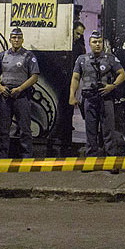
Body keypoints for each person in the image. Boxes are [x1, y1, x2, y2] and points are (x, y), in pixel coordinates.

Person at [69, 30, 125, 172]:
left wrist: (111, 87)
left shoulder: (110, 58)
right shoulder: (82, 59)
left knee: (108, 132)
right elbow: (75, 78)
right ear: (89, 44)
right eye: (94, 42)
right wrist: (72, 95)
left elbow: (122, 74)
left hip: (105, 98)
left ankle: (111, 162)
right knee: (90, 132)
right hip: (89, 99)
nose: (97, 44)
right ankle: (91, 161)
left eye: (99, 41)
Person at [0, 27, 39, 158]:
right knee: (3, 129)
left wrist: (20, 89)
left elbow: (34, 76)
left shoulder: (29, 56)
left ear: (22, 40)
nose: (16, 40)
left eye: (19, 38)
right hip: (5, 96)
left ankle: (26, 156)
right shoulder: (3, 55)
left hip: (21, 96)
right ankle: (2, 156)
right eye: (14, 38)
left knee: (25, 129)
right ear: (10, 39)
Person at [46, 21, 86, 157]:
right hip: (62, 83)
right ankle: (57, 145)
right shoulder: (65, 45)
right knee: (62, 115)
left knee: (66, 116)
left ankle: (62, 145)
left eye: (81, 35)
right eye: (77, 33)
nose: (79, 37)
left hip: (70, 83)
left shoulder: (78, 48)